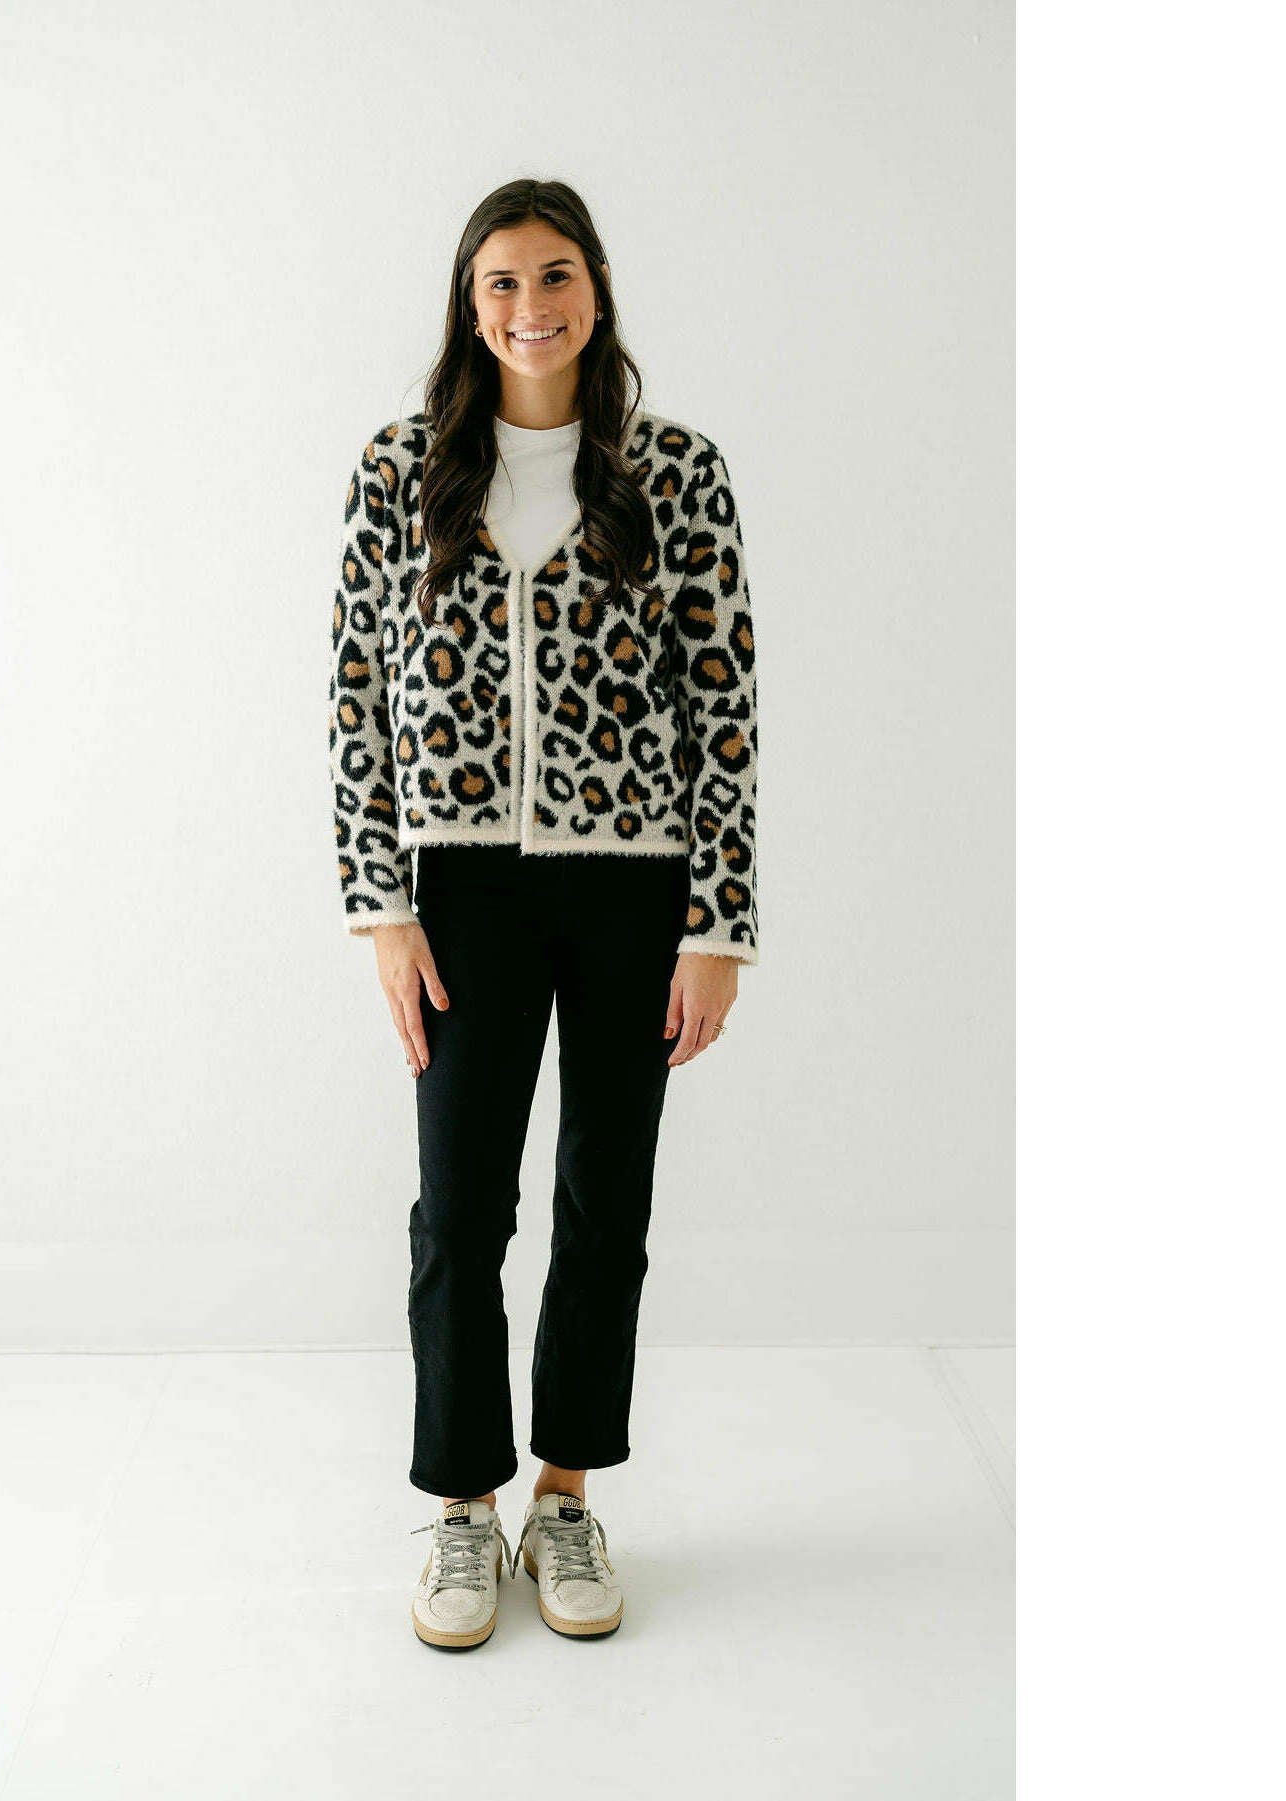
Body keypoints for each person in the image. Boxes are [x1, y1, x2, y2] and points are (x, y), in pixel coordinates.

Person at [326, 177, 760, 1648]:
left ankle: (564, 1496)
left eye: (555, 275)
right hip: (459, 885)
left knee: (604, 1200)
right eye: (501, 282)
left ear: (597, 290)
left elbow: (724, 703)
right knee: (460, 1207)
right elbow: (353, 697)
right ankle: (464, 1507)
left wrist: (718, 926)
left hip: (637, 881)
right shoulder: (400, 470)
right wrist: (381, 908)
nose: (530, 307)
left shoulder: (674, 472)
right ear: (470, 304)